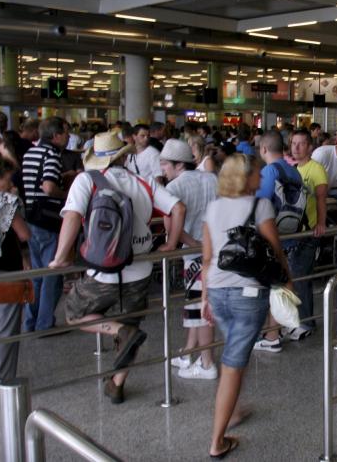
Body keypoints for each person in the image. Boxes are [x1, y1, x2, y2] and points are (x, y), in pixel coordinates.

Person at [49, 131, 185, 403]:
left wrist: (61, 256)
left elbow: (73, 216)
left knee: (74, 313)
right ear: (123, 158)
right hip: (140, 269)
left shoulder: (87, 180)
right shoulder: (143, 181)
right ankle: (117, 383)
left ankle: (116, 331)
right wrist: (171, 244)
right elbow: (178, 208)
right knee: (130, 324)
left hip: (103, 272)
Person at [201, 153, 291, 459]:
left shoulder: (213, 207)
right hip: (248, 294)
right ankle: (218, 441)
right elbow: (275, 250)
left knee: (233, 354)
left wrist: (204, 297)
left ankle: (234, 409)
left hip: (217, 291)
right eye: (257, 173)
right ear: (245, 176)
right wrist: (288, 282)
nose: (262, 178)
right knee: (233, 364)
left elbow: (207, 257)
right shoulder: (260, 205)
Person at [160, 139, 218, 380]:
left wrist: (190, 242)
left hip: (194, 254)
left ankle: (207, 364)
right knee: (197, 305)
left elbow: (169, 223)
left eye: (165, 164)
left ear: (178, 164)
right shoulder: (212, 179)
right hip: (215, 250)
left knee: (200, 309)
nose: (163, 169)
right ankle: (188, 353)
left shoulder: (174, 186)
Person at [253, 130, 306, 353]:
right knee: (279, 283)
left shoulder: (269, 171)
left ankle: (272, 335)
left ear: (264, 149)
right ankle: (280, 328)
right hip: (291, 235)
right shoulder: (294, 171)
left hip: (270, 237)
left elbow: (260, 205)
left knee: (271, 286)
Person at [0, 156, 30, 381]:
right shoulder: (4, 202)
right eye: (8, 180)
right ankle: (1, 381)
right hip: (6, 270)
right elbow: (24, 234)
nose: (11, 184)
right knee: (6, 329)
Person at [21, 117, 69, 332]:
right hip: (48, 219)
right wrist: (66, 194)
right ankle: (45, 323)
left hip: (31, 216)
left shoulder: (30, 153)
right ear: (56, 135)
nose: (68, 136)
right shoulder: (52, 155)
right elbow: (49, 187)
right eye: (65, 132)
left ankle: (31, 321)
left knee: (38, 273)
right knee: (52, 272)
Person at [288, 129, 328, 339]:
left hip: (308, 231)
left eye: (301, 143)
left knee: (301, 277)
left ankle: (306, 323)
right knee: (295, 277)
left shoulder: (316, 169)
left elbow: (321, 198)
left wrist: (320, 223)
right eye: (293, 143)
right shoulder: (292, 168)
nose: (296, 147)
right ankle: (298, 320)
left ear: (310, 147)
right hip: (294, 232)